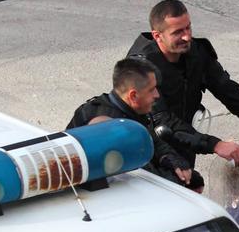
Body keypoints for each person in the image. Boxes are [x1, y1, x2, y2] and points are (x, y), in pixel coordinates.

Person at [128, 0, 239, 190]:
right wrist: (215, 145)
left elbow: (228, 90)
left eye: (188, 28)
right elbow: (164, 123)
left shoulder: (196, 53)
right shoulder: (141, 68)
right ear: (157, 36)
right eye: (178, 32)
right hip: (147, 154)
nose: (187, 37)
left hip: (185, 145)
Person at [67, 59, 194, 187]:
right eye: (151, 90)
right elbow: (144, 177)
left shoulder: (126, 109)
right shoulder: (113, 130)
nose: (157, 95)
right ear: (133, 96)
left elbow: (151, 141)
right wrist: (184, 182)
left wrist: (172, 160)